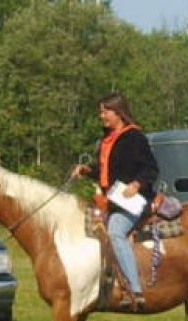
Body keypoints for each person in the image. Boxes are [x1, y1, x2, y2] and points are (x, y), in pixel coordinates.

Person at [72, 92, 158, 307]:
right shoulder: (106, 140)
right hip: (112, 200)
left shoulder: (135, 137)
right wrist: (87, 170)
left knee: (116, 231)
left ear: (118, 112)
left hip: (134, 199)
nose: (101, 116)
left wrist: (136, 184)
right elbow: (105, 171)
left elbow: (150, 168)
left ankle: (134, 290)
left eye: (105, 111)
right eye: (101, 111)